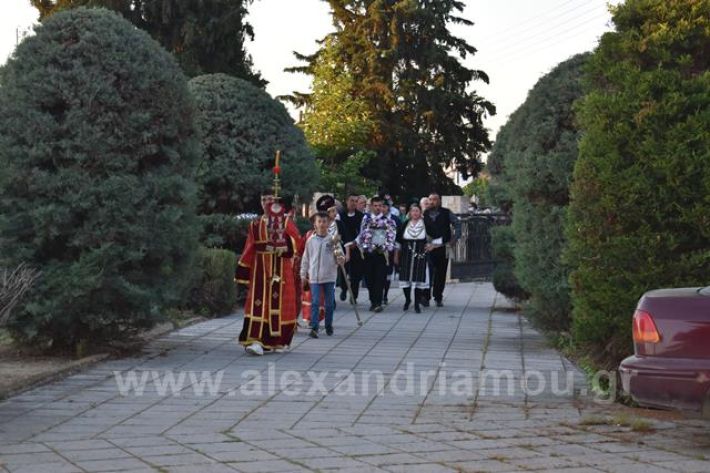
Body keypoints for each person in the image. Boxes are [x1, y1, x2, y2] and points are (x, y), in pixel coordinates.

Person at [236, 193, 301, 355]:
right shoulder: (255, 224)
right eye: (263, 199)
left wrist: (282, 239)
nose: (267, 202)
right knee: (258, 304)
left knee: (280, 306)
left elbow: (296, 243)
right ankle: (255, 341)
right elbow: (249, 247)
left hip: (281, 270)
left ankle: (277, 341)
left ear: (276, 201)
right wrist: (243, 271)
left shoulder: (285, 221)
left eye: (270, 199)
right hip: (260, 270)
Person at [300, 195, 344, 327]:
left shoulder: (332, 239)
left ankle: (328, 325)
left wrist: (340, 259)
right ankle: (314, 326)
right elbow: (306, 258)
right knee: (315, 302)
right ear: (315, 223)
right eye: (319, 221)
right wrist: (303, 274)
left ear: (328, 223)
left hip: (329, 277)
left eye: (324, 222)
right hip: (314, 277)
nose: (322, 224)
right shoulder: (310, 240)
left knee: (329, 304)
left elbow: (340, 254)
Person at [356, 196, 397, 312]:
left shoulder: (388, 221)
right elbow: (362, 233)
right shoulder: (366, 219)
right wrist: (362, 245)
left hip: (381, 253)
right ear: (371, 206)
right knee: (369, 278)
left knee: (380, 278)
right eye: (375, 205)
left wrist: (386, 246)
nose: (378, 208)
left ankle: (378, 303)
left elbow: (391, 236)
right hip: (369, 253)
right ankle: (372, 300)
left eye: (380, 206)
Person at [422, 192, 459, 308]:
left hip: (444, 247)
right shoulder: (425, 214)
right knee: (428, 272)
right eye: (430, 199)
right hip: (429, 248)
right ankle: (425, 297)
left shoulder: (446, 213)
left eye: (434, 199)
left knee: (441, 273)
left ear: (439, 201)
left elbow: (458, 224)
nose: (432, 202)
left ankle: (438, 297)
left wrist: (453, 240)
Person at [394, 204, 431, 313]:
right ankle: (407, 299)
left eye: (417, 211)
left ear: (420, 213)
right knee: (405, 278)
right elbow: (398, 241)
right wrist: (396, 255)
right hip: (406, 253)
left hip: (420, 254)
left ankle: (416, 304)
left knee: (418, 279)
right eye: (413, 211)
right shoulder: (405, 224)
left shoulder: (425, 225)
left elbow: (432, 238)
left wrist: (430, 245)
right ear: (409, 213)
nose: (415, 213)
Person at [339, 193, 365, 303]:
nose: (353, 203)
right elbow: (339, 231)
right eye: (351, 200)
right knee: (343, 269)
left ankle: (354, 295)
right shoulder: (341, 215)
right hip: (343, 246)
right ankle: (344, 289)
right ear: (347, 201)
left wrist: (355, 241)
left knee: (356, 273)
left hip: (356, 247)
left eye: (355, 201)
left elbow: (363, 231)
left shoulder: (361, 216)